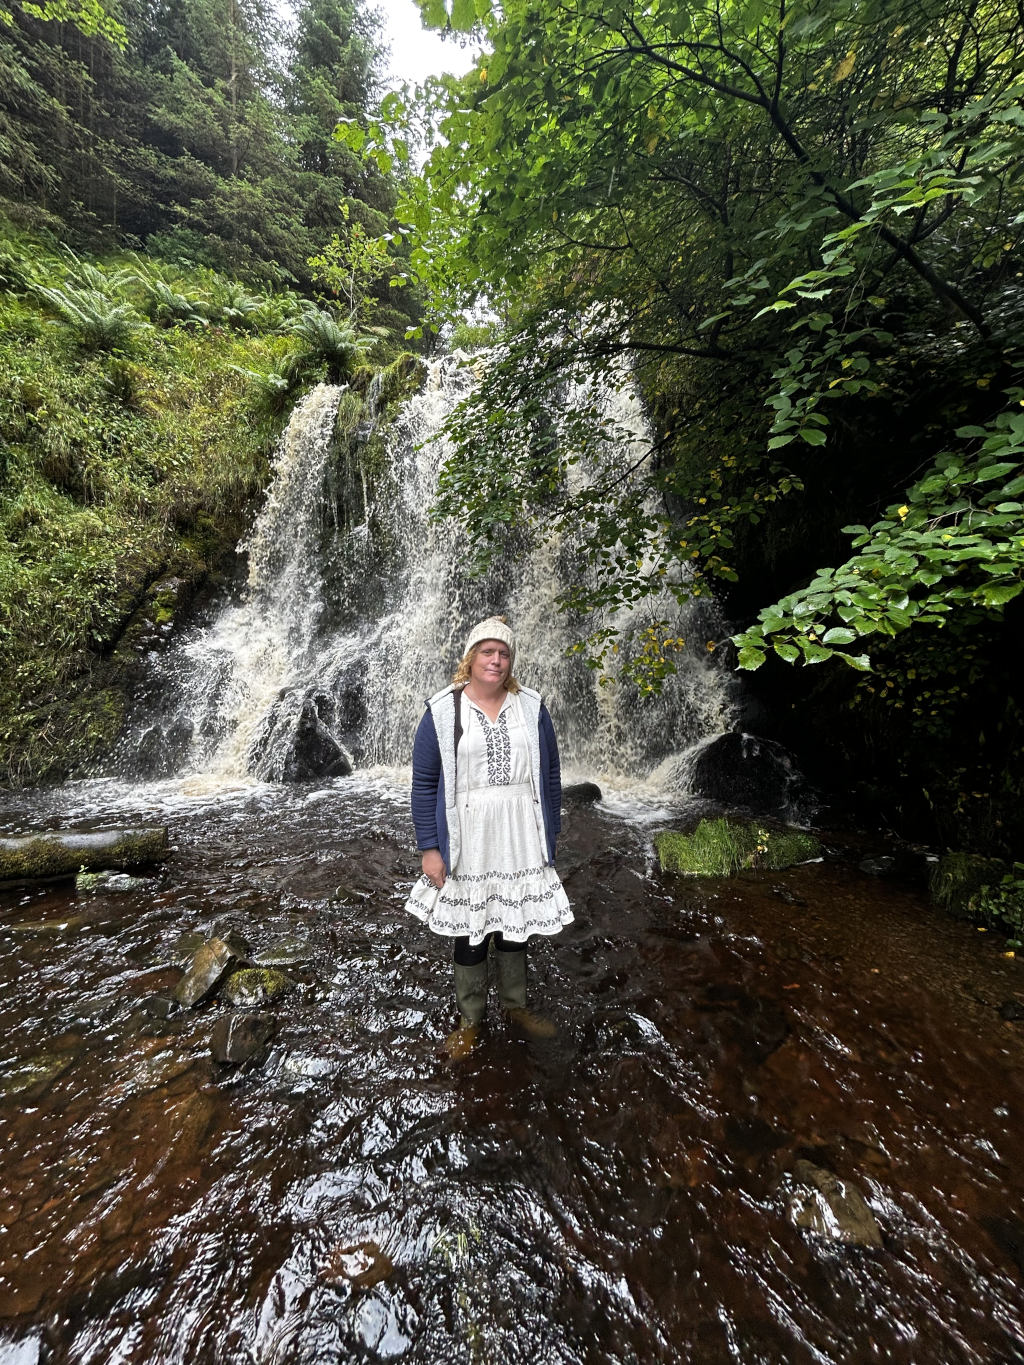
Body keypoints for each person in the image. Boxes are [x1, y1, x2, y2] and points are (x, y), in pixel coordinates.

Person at [405, 615, 573, 1055]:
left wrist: (549, 833)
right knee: (472, 930)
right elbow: (424, 784)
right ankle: (470, 1020)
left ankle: (516, 1006)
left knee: (515, 924)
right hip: (469, 834)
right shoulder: (443, 711)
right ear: (471, 657)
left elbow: (550, 775)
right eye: (487, 652)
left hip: (521, 830)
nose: (495, 661)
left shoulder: (532, 708)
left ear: (510, 661)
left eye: (503, 654)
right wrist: (430, 849)